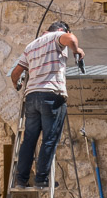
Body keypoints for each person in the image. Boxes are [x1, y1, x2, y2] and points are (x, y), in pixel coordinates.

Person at [9, 21, 85, 189]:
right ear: (60, 30)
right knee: (49, 139)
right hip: (51, 96)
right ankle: (41, 179)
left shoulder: (31, 46)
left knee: (29, 139)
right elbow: (71, 39)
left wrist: (17, 85)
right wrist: (76, 50)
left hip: (32, 97)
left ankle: (21, 179)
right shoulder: (57, 36)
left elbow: (15, 74)